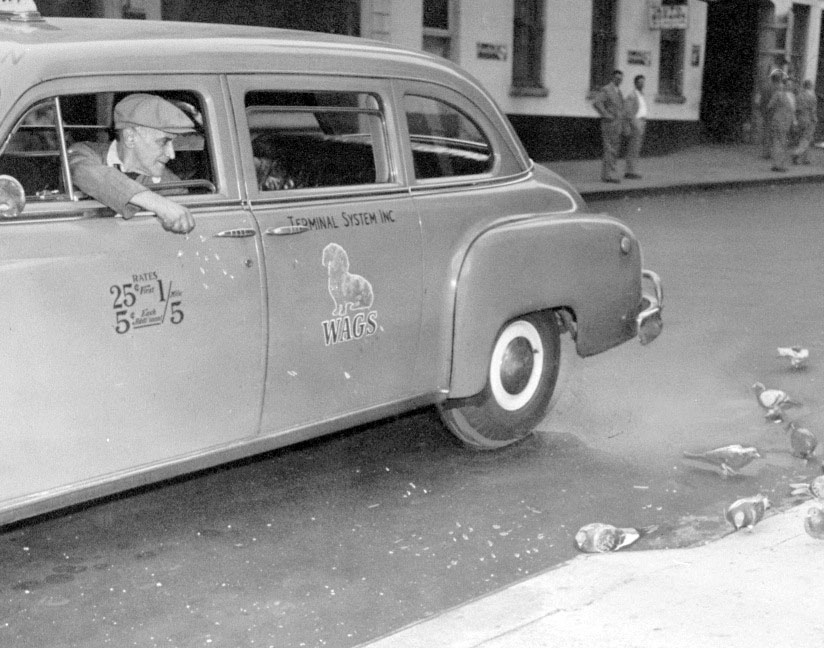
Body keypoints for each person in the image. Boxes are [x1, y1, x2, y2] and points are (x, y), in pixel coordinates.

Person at [68, 93, 196, 234]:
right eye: (163, 142)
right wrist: (158, 204)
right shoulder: (85, 153)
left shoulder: (173, 186)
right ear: (130, 137)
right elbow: (84, 172)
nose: (171, 155)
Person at [592, 69, 625, 183]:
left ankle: (610, 173)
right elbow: (597, 102)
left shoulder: (619, 92)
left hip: (617, 124)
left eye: (620, 79)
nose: (619, 80)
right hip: (609, 124)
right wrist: (606, 114)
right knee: (609, 149)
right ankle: (608, 175)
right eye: (617, 78)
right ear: (612, 78)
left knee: (614, 150)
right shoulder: (607, 90)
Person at [766, 72, 796, 172]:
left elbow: (793, 110)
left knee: (782, 143)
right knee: (780, 143)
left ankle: (777, 164)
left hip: (787, 123)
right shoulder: (779, 94)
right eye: (788, 84)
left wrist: (794, 122)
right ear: (784, 85)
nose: (789, 86)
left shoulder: (792, 96)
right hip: (778, 122)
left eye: (791, 85)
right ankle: (778, 165)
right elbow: (769, 106)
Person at [623, 74, 647, 179]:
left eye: (643, 82)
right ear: (635, 83)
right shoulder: (632, 95)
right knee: (633, 148)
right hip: (636, 123)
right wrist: (635, 124)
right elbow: (628, 112)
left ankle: (632, 170)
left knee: (636, 148)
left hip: (641, 122)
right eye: (640, 82)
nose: (642, 84)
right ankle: (630, 171)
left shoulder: (641, 95)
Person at [792, 79, 818, 164]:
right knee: (807, 138)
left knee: (802, 138)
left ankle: (805, 159)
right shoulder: (812, 97)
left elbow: (796, 109)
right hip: (809, 119)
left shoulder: (799, 96)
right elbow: (813, 110)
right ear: (810, 86)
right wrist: (814, 119)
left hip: (800, 118)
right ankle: (797, 153)